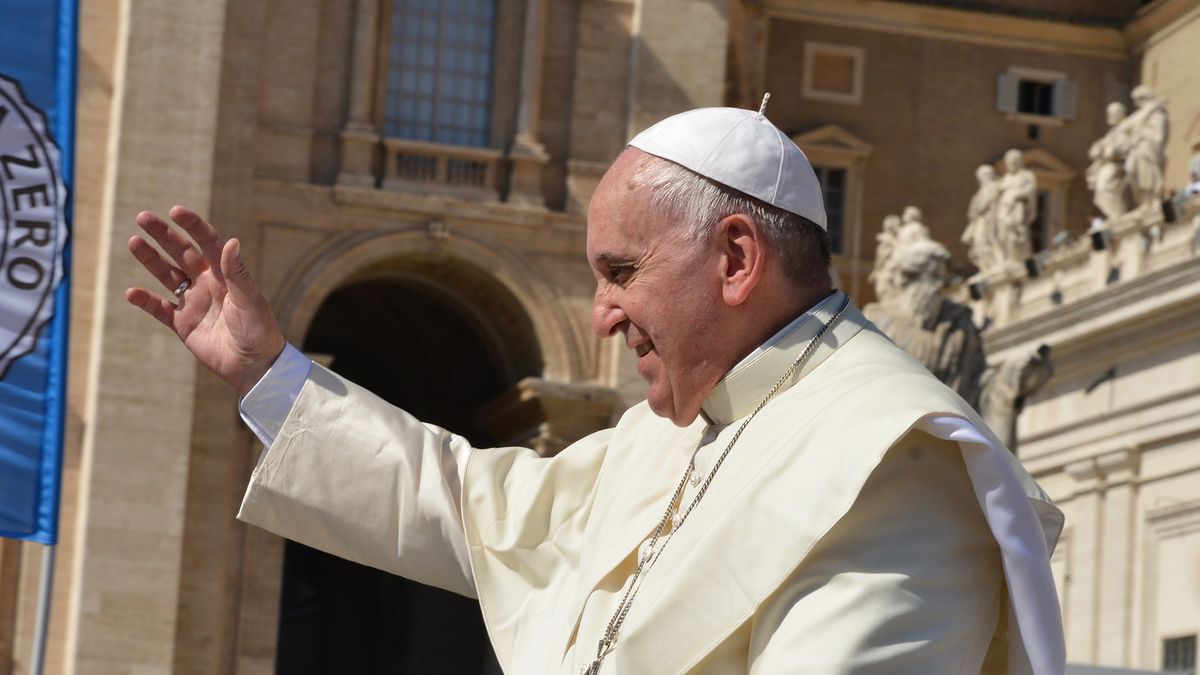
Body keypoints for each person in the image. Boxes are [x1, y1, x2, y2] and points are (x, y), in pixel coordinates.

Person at [127, 106, 1066, 674]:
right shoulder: (669, 431)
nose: (603, 316)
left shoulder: (896, 460)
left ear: (736, 256)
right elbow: (466, 505)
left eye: (621, 270)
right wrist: (269, 374)